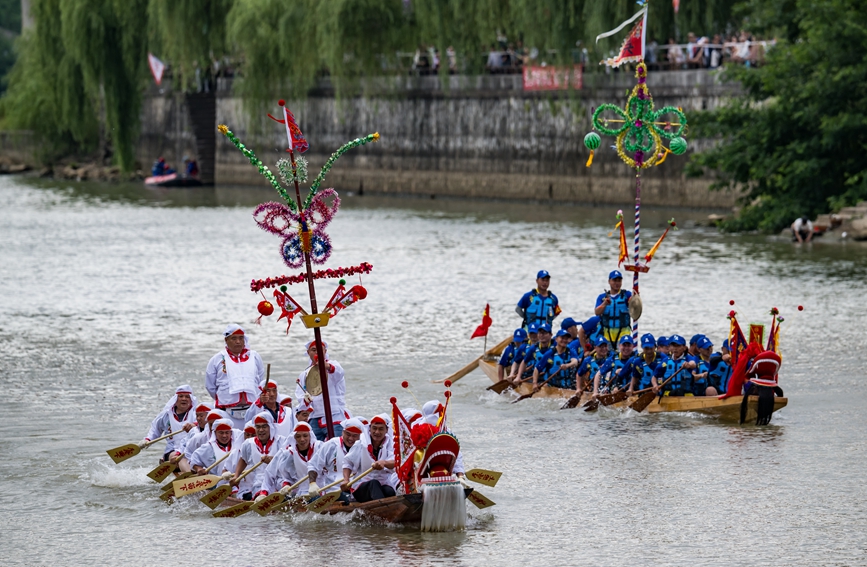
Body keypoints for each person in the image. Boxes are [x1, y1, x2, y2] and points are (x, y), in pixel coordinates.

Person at [205, 325, 266, 429]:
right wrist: (225, 398)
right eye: (234, 338)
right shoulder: (217, 359)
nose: (238, 342)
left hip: (252, 409)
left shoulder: (255, 356)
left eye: (241, 338)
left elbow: (260, 379)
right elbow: (210, 386)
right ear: (226, 340)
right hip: (227, 411)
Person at [295, 340, 348, 442]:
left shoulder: (333, 365)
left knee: (336, 447)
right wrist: (306, 400)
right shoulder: (305, 374)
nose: (317, 352)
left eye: (320, 350)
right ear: (308, 352)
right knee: (314, 448)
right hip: (315, 417)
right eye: (314, 350)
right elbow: (300, 397)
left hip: (334, 415)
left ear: (325, 351)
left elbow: (339, 373)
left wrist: (327, 367)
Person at [231, 412, 288, 500]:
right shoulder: (248, 444)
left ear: (271, 427)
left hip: (279, 481)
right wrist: (236, 476)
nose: (261, 430)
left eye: (264, 426)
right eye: (258, 427)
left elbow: (288, 463)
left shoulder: (282, 442)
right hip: (259, 483)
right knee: (261, 499)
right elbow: (243, 459)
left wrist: (273, 460)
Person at [307, 418, 364, 503]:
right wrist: (312, 484)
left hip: (357, 488)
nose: (351, 438)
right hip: (334, 490)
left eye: (355, 436)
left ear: (360, 436)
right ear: (342, 432)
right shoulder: (331, 445)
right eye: (348, 434)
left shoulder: (364, 446)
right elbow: (313, 465)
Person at [342, 414, 397, 502]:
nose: (377, 432)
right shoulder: (360, 443)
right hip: (362, 485)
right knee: (374, 484)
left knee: (389, 491)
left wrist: (384, 463)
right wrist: (346, 480)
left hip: (383, 482)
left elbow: (396, 462)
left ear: (386, 430)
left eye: (381, 429)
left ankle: (382, 507)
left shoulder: (391, 444)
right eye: (374, 428)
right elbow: (348, 462)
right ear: (369, 429)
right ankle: (383, 509)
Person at [257, 421, 318, 499]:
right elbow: (272, 472)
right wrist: (264, 493)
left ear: (310, 436)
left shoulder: (320, 448)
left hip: (322, 489)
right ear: (294, 438)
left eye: (305, 436)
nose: (302, 439)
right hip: (301, 493)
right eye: (298, 436)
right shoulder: (288, 453)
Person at [141, 385, 198, 464]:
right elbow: (155, 430)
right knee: (179, 458)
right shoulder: (166, 415)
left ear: (191, 399)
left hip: (192, 449)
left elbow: (205, 426)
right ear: (176, 399)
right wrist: (147, 440)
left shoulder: (197, 414)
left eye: (187, 397)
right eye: (181, 396)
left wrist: (194, 425)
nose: (184, 399)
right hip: (173, 451)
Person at [594, 270, 636, 345]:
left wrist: (635, 298)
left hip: (623, 335)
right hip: (607, 336)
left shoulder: (627, 295)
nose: (617, 283)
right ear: (609, 281)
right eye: (614, 280)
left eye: (619, 281)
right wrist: (605, 304)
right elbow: (597, 312)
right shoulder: (602, 297)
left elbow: (635, 305)